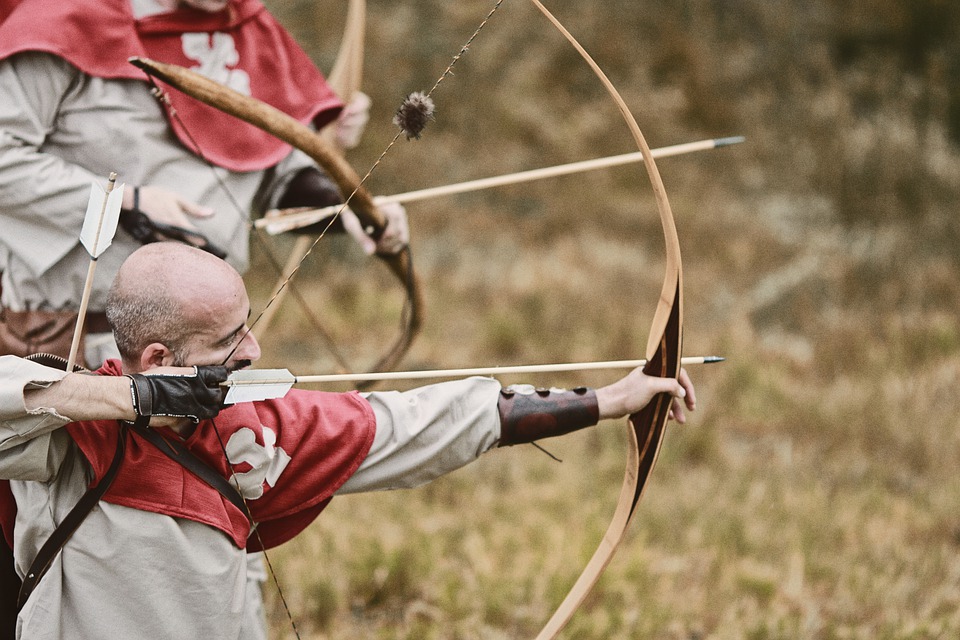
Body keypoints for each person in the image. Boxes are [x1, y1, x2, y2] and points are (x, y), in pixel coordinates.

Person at [0, 242, 696, 639]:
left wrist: (605, 402)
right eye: (227, 340)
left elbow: (423, 422)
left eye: (249, 324)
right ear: (156, 359)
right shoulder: (62, 439)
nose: (254, 349)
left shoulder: (262, 429)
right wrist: (131, 401)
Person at [0, 1, 407, 634]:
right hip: (67, 342)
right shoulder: (64, 21)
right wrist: (124, 200)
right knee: (75, 560)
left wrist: (344, 199)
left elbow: (258, 164)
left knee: (217, 528)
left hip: (204, 352)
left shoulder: (243, 29)